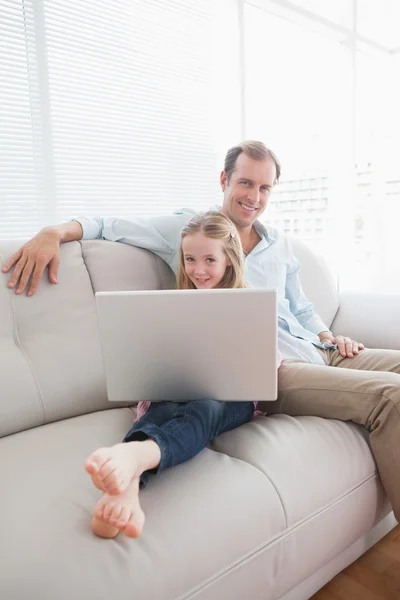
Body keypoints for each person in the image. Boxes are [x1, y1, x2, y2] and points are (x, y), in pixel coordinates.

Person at [2, 140, 400, 522]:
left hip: (316, 347)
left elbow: (302, 307)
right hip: (275, 366)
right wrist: (51, 233)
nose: (255, 197)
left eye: (265, 187)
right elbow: (107, 225)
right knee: (391, 398)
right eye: (245, 182)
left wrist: (330, 337)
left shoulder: (278, 242)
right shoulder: (189, 228)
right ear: (224, 180)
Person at [83, 210, 279, 539]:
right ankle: (125, 492)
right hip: (175, 392)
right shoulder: (174, 304)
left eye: (209, 260)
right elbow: (155, 361)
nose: (198, 270)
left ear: (229, 259)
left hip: (229, 400)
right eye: (190, 259)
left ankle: (134, 455)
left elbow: (269, 359)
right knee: (160, 411)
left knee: (204, 407)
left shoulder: (248, 302)